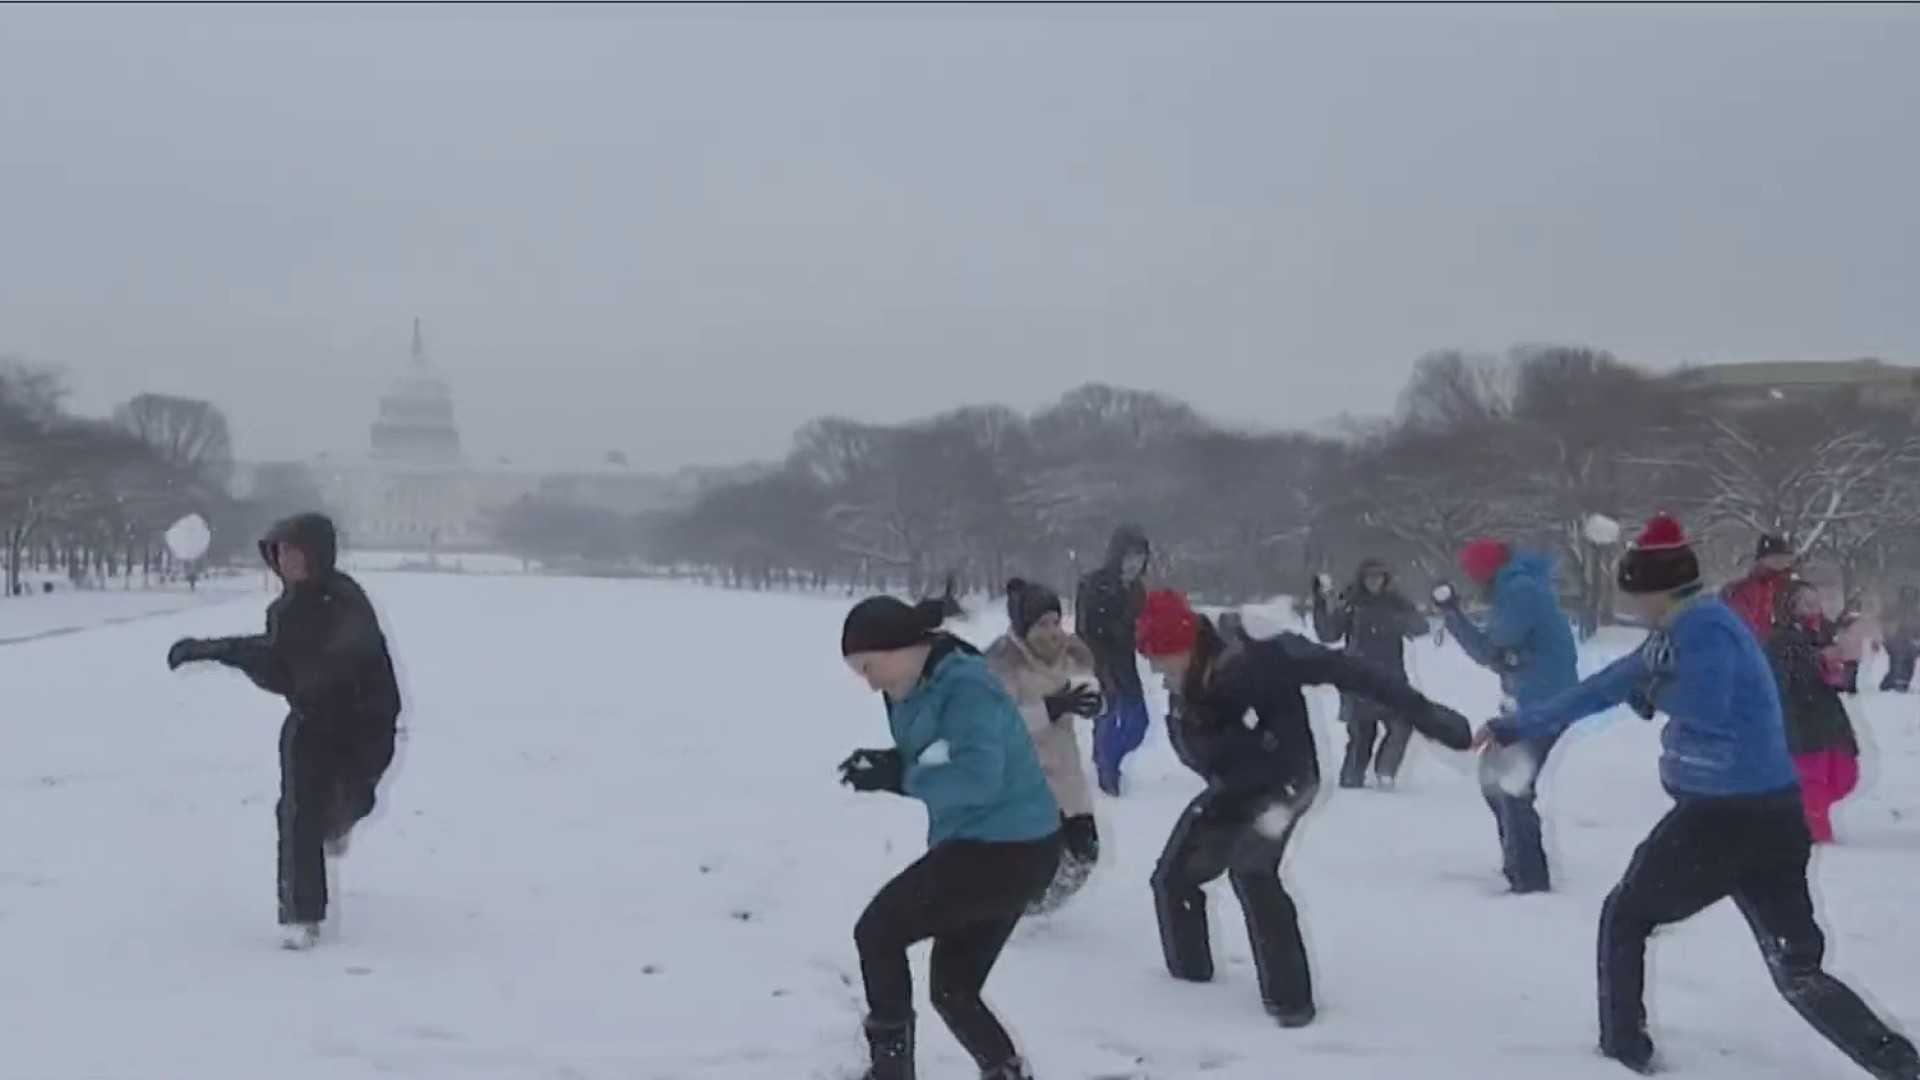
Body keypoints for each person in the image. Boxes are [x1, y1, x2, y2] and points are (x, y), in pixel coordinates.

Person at [1478, 514, 1920, 1079]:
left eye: (1634, 591)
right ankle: (1898, 1065)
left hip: (1721, 818)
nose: (1631, 604)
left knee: (1625, 916)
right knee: (1796, 969)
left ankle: (1623, 1052)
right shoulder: (1684, 629)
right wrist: (1526, 722)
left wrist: (1653, 689)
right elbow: (1607, 684)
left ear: (1655, 587)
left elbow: (1707, 704)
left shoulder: (1705, 628)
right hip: (1772, 814)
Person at [1134, 589, 1472, 1027]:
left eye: (1162, 656)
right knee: (1174, 876)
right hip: (1234, 784)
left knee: (1252, 871)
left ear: (1187, 641)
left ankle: (1291, 1002)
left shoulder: (1259, 652)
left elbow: (1348, 670)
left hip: (1286, 781)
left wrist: (1425, 714)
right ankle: (1189, 984)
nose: (1158, 670)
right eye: (1151, 658)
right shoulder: (1192, 674)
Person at [838, 594, 1061, 1080]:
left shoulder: (965, 686)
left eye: (869, 666)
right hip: (999, 848)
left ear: (899, 648)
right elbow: (936, 752)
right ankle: (1006, 1073)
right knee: (953, 989)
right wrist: (891, 763)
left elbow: (979, 777)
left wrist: (901, 777)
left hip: (1004, 850)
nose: (868, 680)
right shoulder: (913, 684)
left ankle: (890, 1073)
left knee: (877, 933)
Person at [165, 513, 401, 950]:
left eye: (295, 552)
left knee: (348, 803)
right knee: (297, 813)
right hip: (311, 724)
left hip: (363, 725)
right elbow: (279, 664)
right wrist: (212, 650)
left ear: (318, 555)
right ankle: (302, 915)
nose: (287, 561)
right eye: (280, 553)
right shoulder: (285, 610)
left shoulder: (345, 601)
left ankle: (338, 822)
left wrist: (287, 667)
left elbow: (317, 663)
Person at [1434, 539, 1579, 894]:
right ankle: (1518, 863)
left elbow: (1491, 648)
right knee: (1495, 777)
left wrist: (1453, 613)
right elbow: (1500, 651)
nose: (1470, 580)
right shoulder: (1518, 587)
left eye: (1472, 573)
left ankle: (1529, 879)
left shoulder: (1518, 591)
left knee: (1511, 785)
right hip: (1537, 699)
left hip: (1544, 703)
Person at [984, 579, 1103, 914]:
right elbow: (995, 724)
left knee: (1084, 853)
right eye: (1041, 625)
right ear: (1023, 628)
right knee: (1032, 855)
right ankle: (1013, 907)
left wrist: (1094, 704)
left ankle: (1034, 907)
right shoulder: (1002, 662)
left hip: (1065, 772)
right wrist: (1050, 707)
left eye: (1055, 622)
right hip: (1022, 777)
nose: (1052, 633)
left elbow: (1092, 689)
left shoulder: (1072, 651)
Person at [1311, 559, 1430, 790]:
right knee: (1361, 735)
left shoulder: (1396, 603)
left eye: (1379, 577)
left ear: (1386, 579)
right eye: (1369, 577)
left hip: (1391, 679)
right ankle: (1350, 784)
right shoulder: (1352, 603)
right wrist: (1320, 603)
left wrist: (1402, 620)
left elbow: (1421, 627)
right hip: (1358, 679)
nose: (1374, 582)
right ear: (1362, 579)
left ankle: (1385, 773)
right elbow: (1328, 634)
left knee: (1402, 726)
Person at [1770, 582, 1862, 844]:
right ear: (1788, 607)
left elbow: (1843, 680)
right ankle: (1813, 831)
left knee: (1844, 776)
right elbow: (1787, 675)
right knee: (1811, 780)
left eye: (1816, 601)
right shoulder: (1779, 637)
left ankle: (1802, 815)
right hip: (1800, 720)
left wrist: (1845, 665)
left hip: (1828, 718)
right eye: (1806, 603)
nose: (1814, 608)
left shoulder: (1822, 633)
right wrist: (1820, 661)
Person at [1075, 525, 1152, 795]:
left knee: (1138, 721)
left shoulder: (1138, 590)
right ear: (1117, 555)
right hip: (1100, 660)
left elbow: (1142, 625)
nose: (1135, 563)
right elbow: (1085, 628)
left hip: (1126, 662)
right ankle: (1107, 770)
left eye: (1140, 557)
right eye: (1130, 555)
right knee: (1107, 716)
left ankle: (1109, 758)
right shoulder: (1094, 584)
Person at [1722, 533, 1799, 645]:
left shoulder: (1788, 585)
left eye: (1785, 559)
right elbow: (1740, 628)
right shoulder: (1748, 588)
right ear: (1761, 560)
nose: (1781, 563)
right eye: (1775, 558)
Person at [1880, 585, 1920, 693]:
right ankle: (1890, 684)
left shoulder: (1916, 610)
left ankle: (1902, 684)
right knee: (1897, 665)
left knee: (1908, 665)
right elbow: (1885, 623)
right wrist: (1887, 638)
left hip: (1910, 642)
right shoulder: (1895, 609)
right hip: (1897, 641)